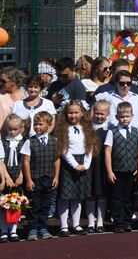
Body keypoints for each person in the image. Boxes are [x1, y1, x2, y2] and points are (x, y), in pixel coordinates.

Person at [54, 100, 97, 236]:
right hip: (69, 164)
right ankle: (64, 226)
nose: (73, 116)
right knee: (65, 196)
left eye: (76, 112)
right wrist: (75, 165)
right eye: (70, 113)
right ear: (65, 114)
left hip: (83, 163)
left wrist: (86, 164)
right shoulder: (63, 129)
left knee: (77, 197)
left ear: (82, 113)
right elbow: (64, 149)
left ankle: (76, 224)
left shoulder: (87, 128)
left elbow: (89, 147)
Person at [104, 102, 138, 233]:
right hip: (117, 170)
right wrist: (109, 171)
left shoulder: (137, 131)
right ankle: (118, 222)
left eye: (127, 116)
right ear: (116, 117)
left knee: (129, 197)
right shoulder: (112, 132)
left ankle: (127, 222)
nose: (124, 119)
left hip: (132, 170)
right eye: (121, 117)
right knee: (117, 197)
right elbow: (108, 151)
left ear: (132, 116)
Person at [20, 111, 59, 241]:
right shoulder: (29, 142)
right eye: (35, 124)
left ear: (49, 124)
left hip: (49, 177)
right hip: (35, 179)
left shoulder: (55, 141)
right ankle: (32, 228)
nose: (37, 127)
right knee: (34, 204)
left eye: (40, 124)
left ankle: (43, 227)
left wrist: (56, 177)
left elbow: (57, 160)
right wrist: (29, 179)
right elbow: (25, 161)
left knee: (46, 204)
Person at [86, 101, 109, 233]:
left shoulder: (109, 128)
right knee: (90, 194)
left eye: (102, 114)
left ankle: (100, 222)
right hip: (89, 164)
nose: (99, 116)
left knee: (101, 193)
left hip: (103, 165)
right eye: (97, 113)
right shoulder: (87, 128)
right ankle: (90, 223)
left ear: (108, 114)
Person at [0, 114, 23, 242]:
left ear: (20, 128)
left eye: (15, 129)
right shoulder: (3, 141)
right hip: (5, 174)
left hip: (18, 175)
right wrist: (6, 177)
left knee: (16, 203)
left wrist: (21, 175)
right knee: (3, 204)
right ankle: (3, 231)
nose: (12, 132)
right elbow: (1, 160)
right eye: (10, 129)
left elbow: (24, 161)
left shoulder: (24, 141)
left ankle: (13, 230)